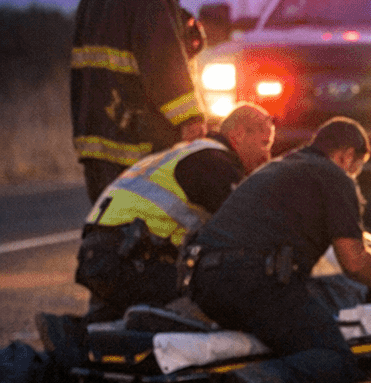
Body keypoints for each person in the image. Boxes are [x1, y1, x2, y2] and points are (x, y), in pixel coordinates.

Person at [185, 117, 371, 383]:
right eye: (356, 167)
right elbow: (353, 259)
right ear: (345, 155)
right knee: (335, 359)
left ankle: (204, 340)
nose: (354, 175)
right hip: (254, 282)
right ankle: (265, 378)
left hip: (204, 281)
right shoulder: (333, 177)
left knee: (289, 330)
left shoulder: (276, 169)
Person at [72, 104, 276, 321]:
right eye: (265, 144)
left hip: (104, 252)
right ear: (239, 134)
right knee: (208, 294)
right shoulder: (216, 163)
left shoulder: (191, 152)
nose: (268, 156)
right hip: (128, 257)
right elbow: (247, 228)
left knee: (114, 326)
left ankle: (73, 332)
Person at [72, 0, 213, 202]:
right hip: (140, 150)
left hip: (95, 149)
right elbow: (164, 68)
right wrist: (192, 121)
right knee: (145, 237)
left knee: (106, 232)